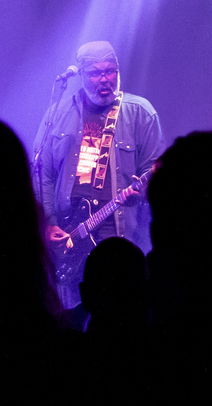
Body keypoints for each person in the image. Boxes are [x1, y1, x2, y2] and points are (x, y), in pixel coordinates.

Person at [32, 41, 163, 310]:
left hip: (121, 233)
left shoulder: (140, 112)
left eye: (110, 71)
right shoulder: (58, 114)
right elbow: (44, 173)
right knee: (72, 313)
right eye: (94, 73)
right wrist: (48, 222)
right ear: (80, 75)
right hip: (69, 236)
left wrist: (141, 194)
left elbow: (157, 173)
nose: (104, 79)